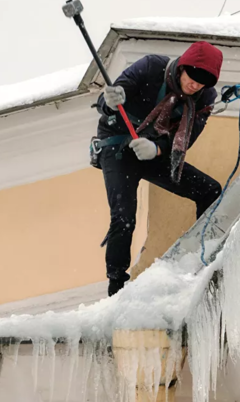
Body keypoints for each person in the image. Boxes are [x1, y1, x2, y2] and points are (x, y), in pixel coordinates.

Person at [94, 41, 224, 296]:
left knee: (210, 190)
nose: (195, 84)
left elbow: (188, 137)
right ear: (182, 67)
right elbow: (107, 101)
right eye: (193, 76)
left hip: (156, 153)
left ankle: (205, 255)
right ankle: (116, 286)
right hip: (118, 146)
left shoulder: (205, 98)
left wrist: (158, 150)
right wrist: (111, 100)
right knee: (124, 218)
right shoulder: (151, 67)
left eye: (203, 81)